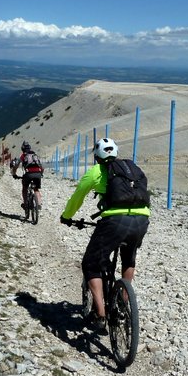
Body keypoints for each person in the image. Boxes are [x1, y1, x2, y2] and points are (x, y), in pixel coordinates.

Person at [59, 137, 150, 332]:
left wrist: (67, 216)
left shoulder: (96, 172)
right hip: (142, 220)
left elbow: (78, 197)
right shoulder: (131, 169)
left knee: (91, 263)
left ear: (97, 156)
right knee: (129, 259)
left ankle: (100, 314)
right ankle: (123, 305)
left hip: (115, 222)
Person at [12, 141, 44, 210]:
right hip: (38, 173)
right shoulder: (34, 155)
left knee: (25, 188)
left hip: (28, 174)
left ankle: (26, 204)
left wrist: (14, 174)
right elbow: (41, 167)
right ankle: (39, 204)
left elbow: (16, 166)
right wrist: (41, 174)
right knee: (36, 189)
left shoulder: (23, 155)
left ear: (22, 149)